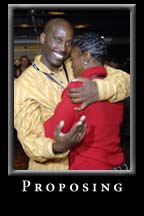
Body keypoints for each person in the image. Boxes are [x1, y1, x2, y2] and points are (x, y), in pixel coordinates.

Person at [14, 18, 130, 170]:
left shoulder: (73, 66)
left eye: (69, 43)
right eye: (58, 40)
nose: (63, 48)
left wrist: (98, 90)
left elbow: (126, 80)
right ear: (43, 38)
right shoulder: (23, 84)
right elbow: (30, 141)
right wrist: (56, 147)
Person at [44, 32, 128, 170]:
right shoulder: (115, 87)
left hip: (88, 164)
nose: (71, 65)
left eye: (72, 58)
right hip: (115, 163)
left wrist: (45, 114)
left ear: (86, 57)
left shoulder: (78, 88)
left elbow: (54, 131)